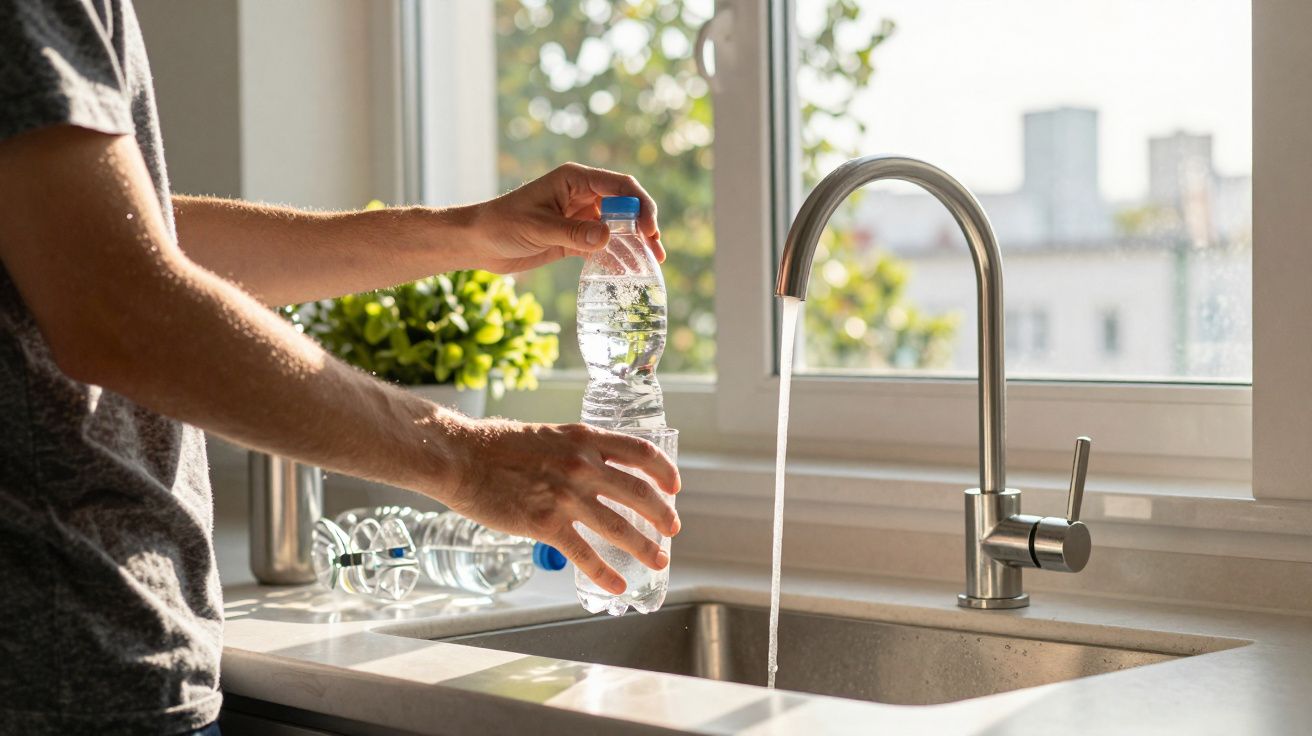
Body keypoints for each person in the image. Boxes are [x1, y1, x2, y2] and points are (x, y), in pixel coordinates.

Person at [0, 2, 680, 734]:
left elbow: (120, 233)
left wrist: (465, 234)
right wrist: (466, 459)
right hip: (58, 666)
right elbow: (115, 298)